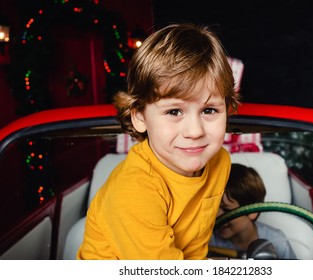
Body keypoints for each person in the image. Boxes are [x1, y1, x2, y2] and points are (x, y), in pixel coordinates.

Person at [77, 23, 240, 260]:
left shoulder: (219, 161)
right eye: (174, 112)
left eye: (209, 110)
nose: (194, 131)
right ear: (140, 117)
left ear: (227, 109)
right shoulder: (133, 190)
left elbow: (194, 249)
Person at [209, 163, 297, 259]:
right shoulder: (207, 242)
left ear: (252, 211)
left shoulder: (277, 242)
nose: (217, 215)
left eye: (227, 210)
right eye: (213, 207)